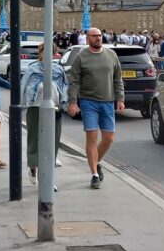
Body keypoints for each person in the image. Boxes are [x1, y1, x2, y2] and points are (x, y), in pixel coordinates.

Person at [67, 27, 125, 189]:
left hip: (107, 101)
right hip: (88, 102)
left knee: (109, 138)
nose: (98, 38)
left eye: (100, 36)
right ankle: (94, 174)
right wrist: (73, 102)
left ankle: (96, 161)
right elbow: (74, 82)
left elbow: (118, 79)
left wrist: (120, 98)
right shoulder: (81, 57)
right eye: (94, 36)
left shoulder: (111, 56)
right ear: (87, 39)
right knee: (92, 136)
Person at [20, 43, 68, 189]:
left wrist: (64, 103)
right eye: (44, 51)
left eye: (51, 52)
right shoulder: (32, 69)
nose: (48, 55)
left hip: (54, 108)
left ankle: (47, 179)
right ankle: (33, 166)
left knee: (52, 142)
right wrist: (21, 105)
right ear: (40, 53)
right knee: (34, 140)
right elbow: (23, 86)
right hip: (36, 107)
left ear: (54, 54)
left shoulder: (59, 70)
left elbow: (65, 87)